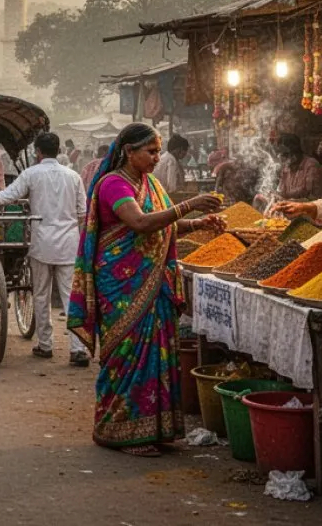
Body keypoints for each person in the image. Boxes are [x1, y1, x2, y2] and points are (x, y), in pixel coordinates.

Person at [69, 122, 224, 457]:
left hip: (152, 284)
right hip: (122, 285)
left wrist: (196, 224)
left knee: (156, 352)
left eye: (157, 150)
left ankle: (154, 429)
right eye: (150, 152)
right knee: (128, 355)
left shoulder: (150, 184)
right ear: (129, 152)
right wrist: (190, 205)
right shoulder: (113, 184)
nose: (157, 157)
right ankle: (121, 430)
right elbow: (140, 223)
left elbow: (163, 227)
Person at [0, 131, 88, 366]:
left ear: (38, 152)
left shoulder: (32, 174)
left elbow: (7, 196)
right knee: (70, 297)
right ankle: (78, 349)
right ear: (59, 150)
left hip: (42, 243)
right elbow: (83, 213)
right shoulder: (73, 176)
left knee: (41, 295)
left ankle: (45, 344)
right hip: (68, 244)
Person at [274, 133, 322, 200]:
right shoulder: (286, 167)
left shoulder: (311, 165)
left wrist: (285, 196)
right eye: (282, 154)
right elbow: (281, 191)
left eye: (286, 154)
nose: (281, 157)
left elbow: (311, 194)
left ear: (295, 151)